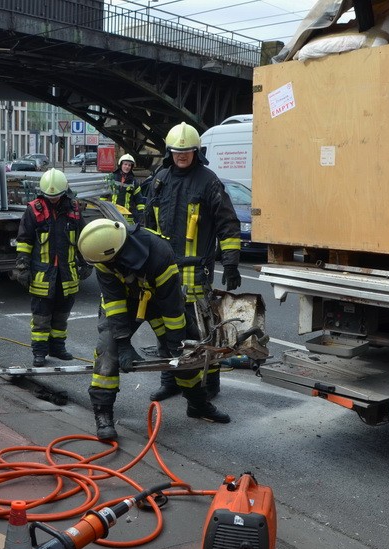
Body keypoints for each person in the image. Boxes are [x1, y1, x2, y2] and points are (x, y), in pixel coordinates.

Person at [77, 218, 229, 441]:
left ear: (117, 251)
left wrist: (176, 342)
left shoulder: (158, 253)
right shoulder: (102, 254)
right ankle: (103, 415)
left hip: (160, 300)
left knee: (184, 351)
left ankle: (197, 404)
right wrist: (122, 343)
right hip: (126, 302)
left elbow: (172, 306)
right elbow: (114, 302)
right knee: (107, 350)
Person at [143, 122, 242, 403]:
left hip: (196, 273)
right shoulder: (160, 179)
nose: (181, 155)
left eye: (187, 151)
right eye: (177, 151)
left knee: (202, 331)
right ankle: (170, 381)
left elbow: (228, 223)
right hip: (164, 272)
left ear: (196, 152)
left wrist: (232, 263)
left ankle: (209, 384)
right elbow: (147, 224)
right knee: (166, 330)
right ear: (169, 152)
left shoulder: (209, 181)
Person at [15, 168, 89, 367]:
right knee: (41, 317)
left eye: (56, 196)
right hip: (43, 274)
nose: (53, 199)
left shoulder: (73, 209)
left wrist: (87, 262)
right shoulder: (35, 210)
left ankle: (57, 347)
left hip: (67, 274)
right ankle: (39, 352)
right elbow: (24, 240)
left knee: (61, 315)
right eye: (50, 196)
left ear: (64, 191)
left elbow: (84, 239)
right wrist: (23, 266)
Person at [107, 153, 142, 222]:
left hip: (128, 218)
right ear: (121, 165)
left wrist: (141, 213)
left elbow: (139, 200)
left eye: (129, 165)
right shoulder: (112, 178)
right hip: (113, 215)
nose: (127, 167)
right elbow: (104, 195)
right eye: (125, 164)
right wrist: (103, 209)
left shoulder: (134, 182)